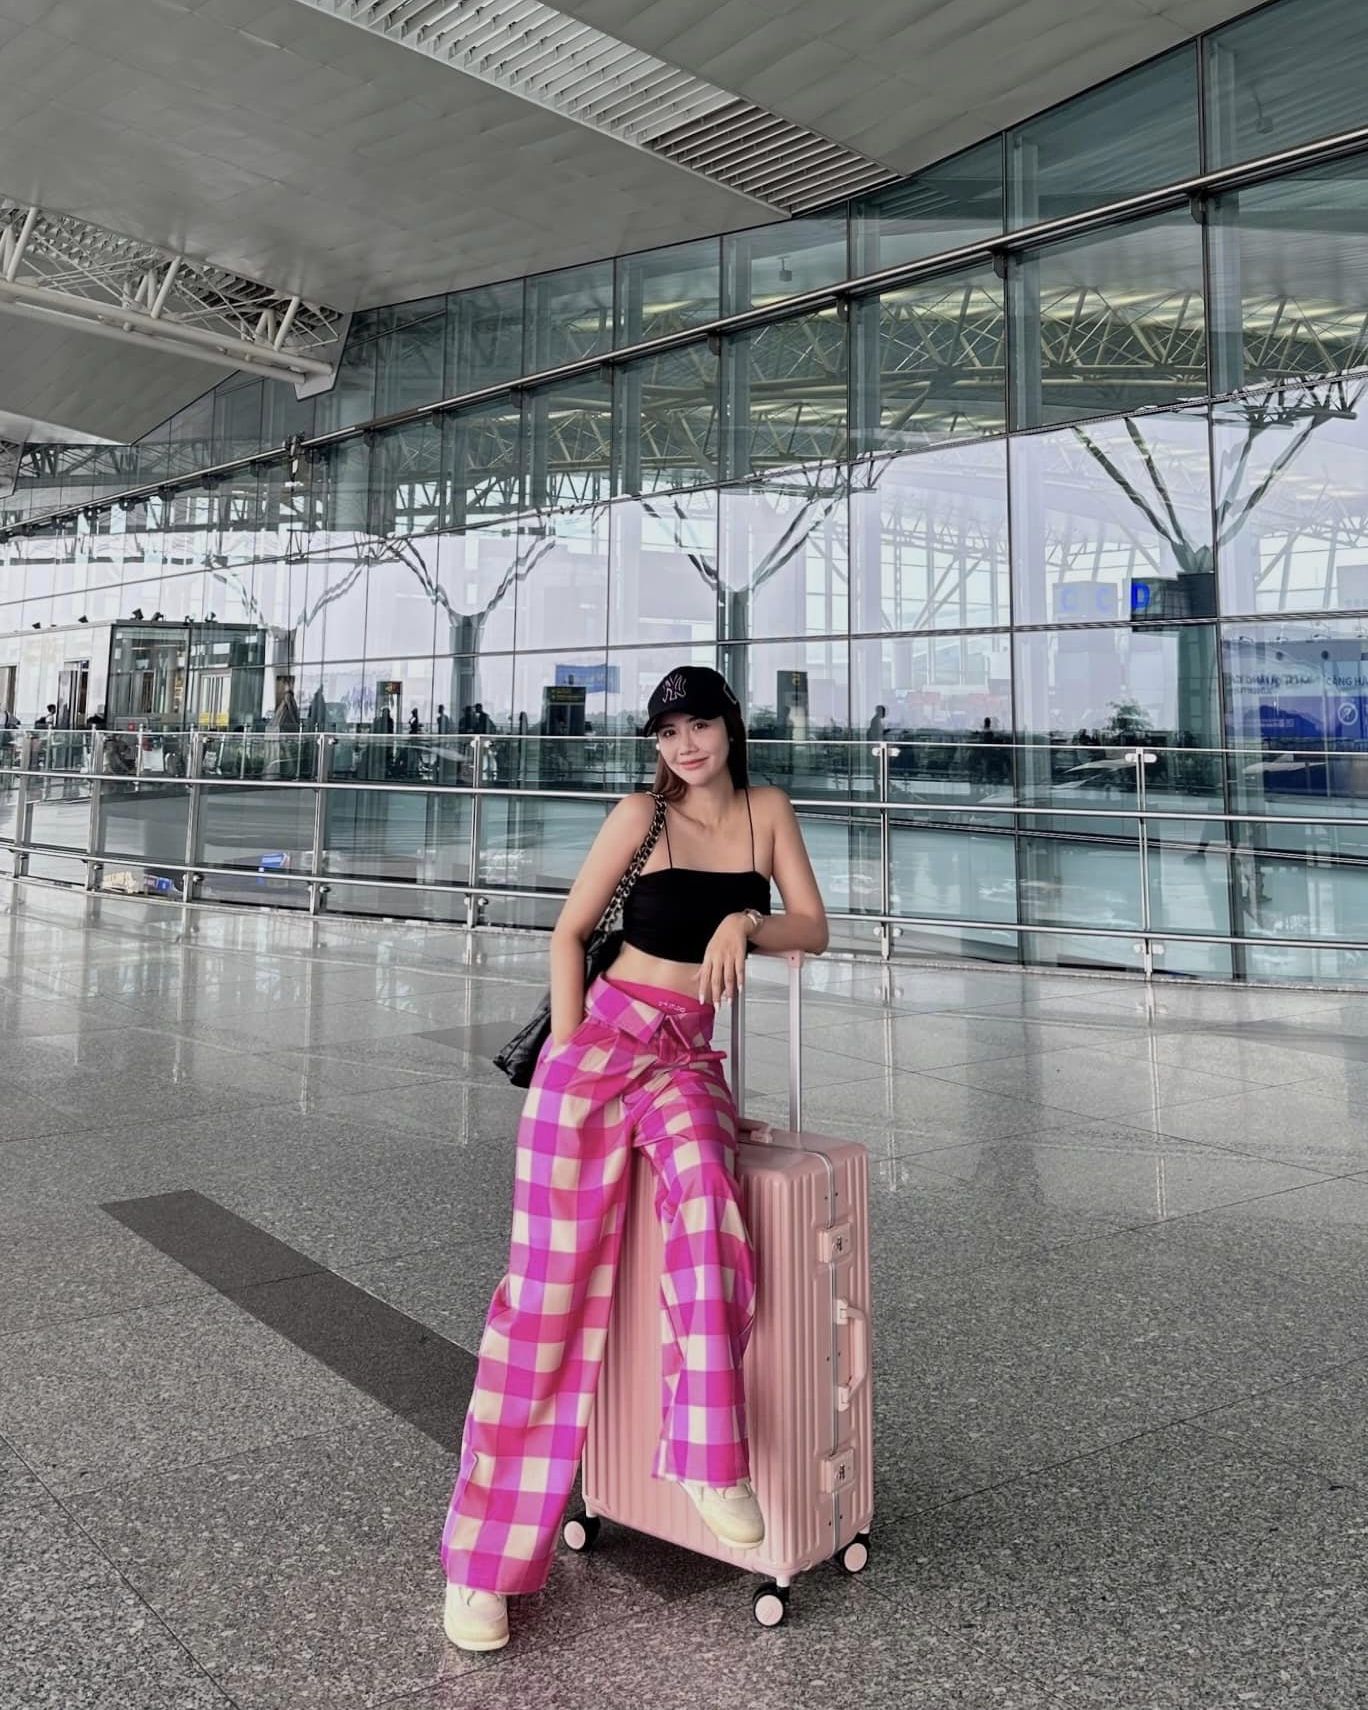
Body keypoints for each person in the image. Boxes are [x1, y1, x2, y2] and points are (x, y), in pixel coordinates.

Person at [440, 665, 829, 1654]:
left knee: (710, 1210)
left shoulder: (768, 813)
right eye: (667, 732)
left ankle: (705, 1455)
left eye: (699, 725)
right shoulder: (641, 817)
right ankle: (482, 1568)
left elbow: (814, 926)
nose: (685, 746)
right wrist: (572, 1056)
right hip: (603, 1042)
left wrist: (746, 920)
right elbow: (571, 935)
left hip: (684, 1059)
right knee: (544, 1302)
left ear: (730, 727)